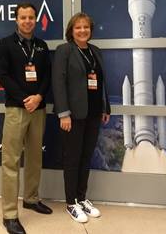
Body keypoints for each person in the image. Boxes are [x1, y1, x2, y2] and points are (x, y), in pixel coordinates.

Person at [0, 3, 52, 234]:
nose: (27, 21)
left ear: (35, 20)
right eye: (23, 17)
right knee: (10, 161)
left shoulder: (41, 46)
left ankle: (30, 198)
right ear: (16, 20)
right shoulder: (6, 44)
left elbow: (47, 75)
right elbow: (4, 76)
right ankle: (9, 214)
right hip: (17, 109)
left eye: (31, 17)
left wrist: (38, 97)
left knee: (34, 156)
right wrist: (25, 99)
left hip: (38, 109)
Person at [52, 12, 110, 223]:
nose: (83, 31)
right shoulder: (64, 51)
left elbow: (101, 82)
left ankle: (82, 198)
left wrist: (105, 108)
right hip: (73, 116)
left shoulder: (95, 52)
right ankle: (71, 203)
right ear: (71, 30)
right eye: (78, 27)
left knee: (86, 158)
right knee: (72, 158)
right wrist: (63, 113)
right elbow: (58, 83)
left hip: (93, 114)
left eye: (86, 27)